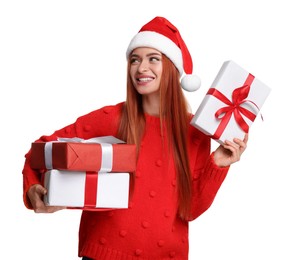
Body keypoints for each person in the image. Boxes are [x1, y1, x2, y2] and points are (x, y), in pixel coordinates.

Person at [22, 16, 248, 260]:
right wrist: (33, 188)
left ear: (172, 68)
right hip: (103, 254)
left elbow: (190, 210)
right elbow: (41, 150)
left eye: (153, 59)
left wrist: (218, 164)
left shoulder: (195, 132)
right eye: (134, 60)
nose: (141, 68)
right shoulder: (110, 118)